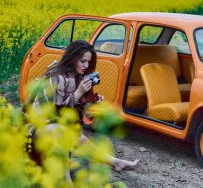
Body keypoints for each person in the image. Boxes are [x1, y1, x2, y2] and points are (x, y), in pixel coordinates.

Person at [25, 39, 139, 177]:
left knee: (82, 140)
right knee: (61, 132)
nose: (86, 65)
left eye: (88, 62)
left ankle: (116, 162)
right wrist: (77, 94)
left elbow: (75, 118)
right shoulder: (55, 77)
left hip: (56, 127)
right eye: (82, 61)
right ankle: (66, 182)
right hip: (33, 129)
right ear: (72, 58)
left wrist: (90, 103)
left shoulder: (77, 77)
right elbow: (49, 115)